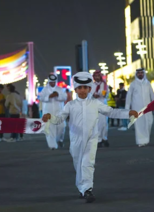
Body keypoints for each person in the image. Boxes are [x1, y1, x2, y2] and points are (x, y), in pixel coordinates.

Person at [42, 72, 138, 203]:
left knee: (88, 164)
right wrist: (50, 117)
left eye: (85, 87)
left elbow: (111, 111)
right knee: (79, 165)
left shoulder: (95, 103)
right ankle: (82, 188)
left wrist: (128, 113)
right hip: (75, 140)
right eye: (79, 88)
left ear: (89, 88)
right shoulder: (70, 105)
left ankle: (87, 189)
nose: (82, 90)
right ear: (75, 89)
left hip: (92, 139)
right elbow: (59, 119)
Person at [125, 68, 154, 147]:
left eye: (142, 73)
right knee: (139, 124)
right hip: (137, 108)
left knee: (149, 122)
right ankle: (140, 141)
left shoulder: (147, 83)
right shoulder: (133, 84)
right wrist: (127, 109)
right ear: (136, 74)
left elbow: (152, 94)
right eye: (139, 73)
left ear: (144, 73)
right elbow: (129, 97)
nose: (140, 74)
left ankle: (146, 139)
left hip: (148, 108)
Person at [40, 74, 67, 149]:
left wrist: (57, 95)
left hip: (59, 112)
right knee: (50, 128)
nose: (52, 83)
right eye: (51, 82)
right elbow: (41, 98)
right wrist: (49, 96)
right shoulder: (45, 89)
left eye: (54, 82)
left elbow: (64, 97)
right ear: (49, 82)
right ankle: (52, 145)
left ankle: (59, 140)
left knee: (61, 127)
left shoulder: (60, 89)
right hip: (48, 112)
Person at [91, 70, 109, 148]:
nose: (97, 77)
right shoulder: (92, 85)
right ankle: (98, 140)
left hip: (103, 104)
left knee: (104, 123)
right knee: (97, 123)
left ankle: (104, 138)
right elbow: (89, 94)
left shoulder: (104, 85)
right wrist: (93, 95)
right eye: (95, 76)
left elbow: (106, 94)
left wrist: (100, 94)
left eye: (98, 76)